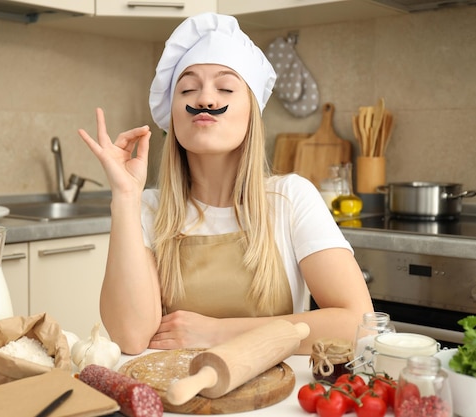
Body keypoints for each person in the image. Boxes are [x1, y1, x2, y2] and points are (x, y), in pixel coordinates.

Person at [78, 13, 373, 356]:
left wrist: (218, 333)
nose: (205, 99)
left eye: (226, 88)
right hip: (176, 398)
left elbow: (358, 326)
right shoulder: (147, 209)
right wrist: (125, 198)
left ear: (252, 113)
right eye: (188, 89)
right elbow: (129, 337)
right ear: (173, 116)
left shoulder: (290, 198)